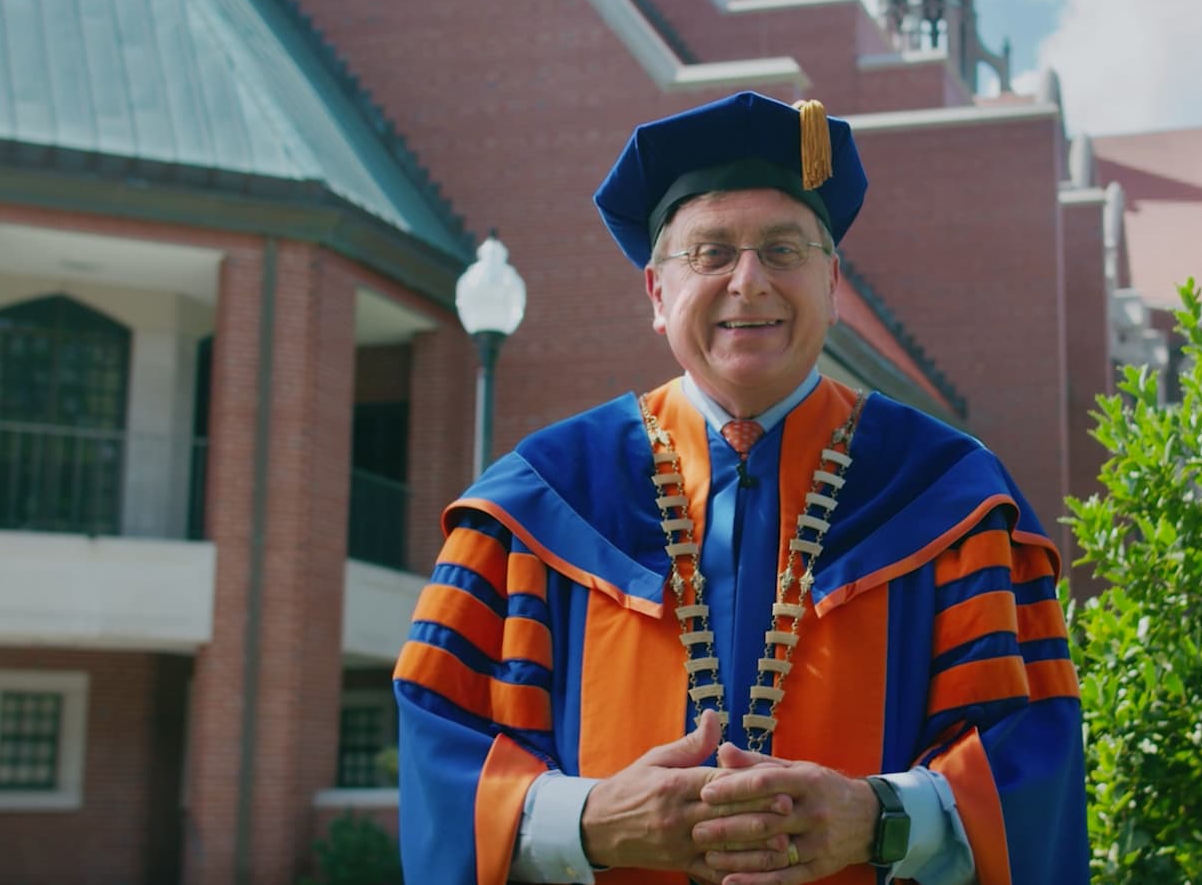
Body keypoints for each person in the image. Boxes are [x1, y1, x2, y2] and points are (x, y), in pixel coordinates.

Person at [393, 92, 1087, 884]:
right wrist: (589, 822)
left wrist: (882, 816)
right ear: (658, 295)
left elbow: (1035, 769)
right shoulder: (531, 509)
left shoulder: (952, 503)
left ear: (833, 286)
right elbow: (441, 759)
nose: (748, 281)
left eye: (784, 249)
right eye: (710, 252)